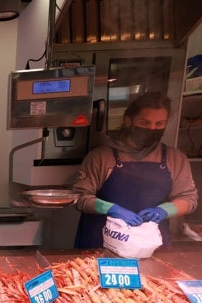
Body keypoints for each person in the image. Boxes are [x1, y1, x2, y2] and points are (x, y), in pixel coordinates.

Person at [73, 92, 198, 248]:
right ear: (128, 121)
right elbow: (79, 197)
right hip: (100, 244)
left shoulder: (175, 159)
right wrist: (111, 209)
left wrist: (164, 210)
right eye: (144, 123)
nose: (152, 128)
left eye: (159, 124)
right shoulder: (101, 157)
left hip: (151, 245)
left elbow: (188, 199)